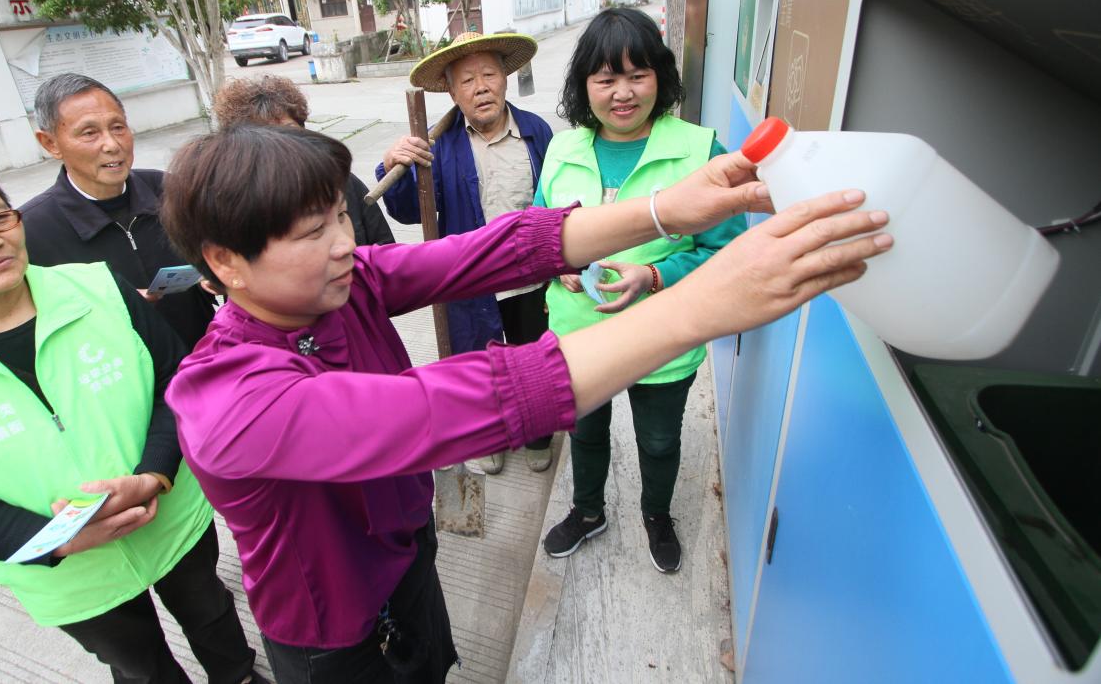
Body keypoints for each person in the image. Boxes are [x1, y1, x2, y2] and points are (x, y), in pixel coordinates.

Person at [157, 122, 891, 683]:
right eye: (312, 231)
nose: (345, 242)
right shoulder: (228, 397)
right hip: (333, 631)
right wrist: (700, 304)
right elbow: (439, 408)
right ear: (225, 261)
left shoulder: (343, 286)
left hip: (408, 559)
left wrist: (667, 209)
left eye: (340, 217)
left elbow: (491, 250)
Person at [0, 152, 259, 684]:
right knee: (140, 666)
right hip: (69, 576)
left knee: (212, 615)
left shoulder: (100, 289)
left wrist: (154, 473)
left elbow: (175, 383)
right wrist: (56, 539)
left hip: (171, 521)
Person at [535, 7, 745, 574]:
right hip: (579, 337)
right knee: (585, 433)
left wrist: (654, 277)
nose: (622, 93)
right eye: (606, 79)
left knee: (658, 441)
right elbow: (539, 228)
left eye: (637, 75)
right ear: (585, 85)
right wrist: (558, 262)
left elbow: (724, 252)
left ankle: (657, 515)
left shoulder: (702, 151)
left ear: (661, 76)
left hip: (662, 339)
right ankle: (587, 511)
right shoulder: (561, 149)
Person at [376, 31, 554, 474]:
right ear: (453, 93)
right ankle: (487, 436)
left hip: (531, 275)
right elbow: (410, 211)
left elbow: (556, 197)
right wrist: (393, 164)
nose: (481, 88)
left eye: (489, 74)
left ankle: (538, 433)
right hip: (473, 280)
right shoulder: (442, 146)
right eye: (467, 80)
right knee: (477, 363)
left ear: (505, 78)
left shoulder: (535, 132)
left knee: (534, 359)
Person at [20, 73, 217, 348]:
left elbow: (215, 251)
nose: (112, 145)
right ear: (50, 143)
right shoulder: (31, 231)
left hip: (206, 355)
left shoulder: (170, 189)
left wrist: (216, 276)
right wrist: (108, 304)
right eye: (89, 133)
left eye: (118, 127)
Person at [213, 74, 394, 246]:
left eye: (290, 130)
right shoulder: (236, 204)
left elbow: (384, 248)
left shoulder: (341, 180)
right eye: (267, 136)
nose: (283, 144)